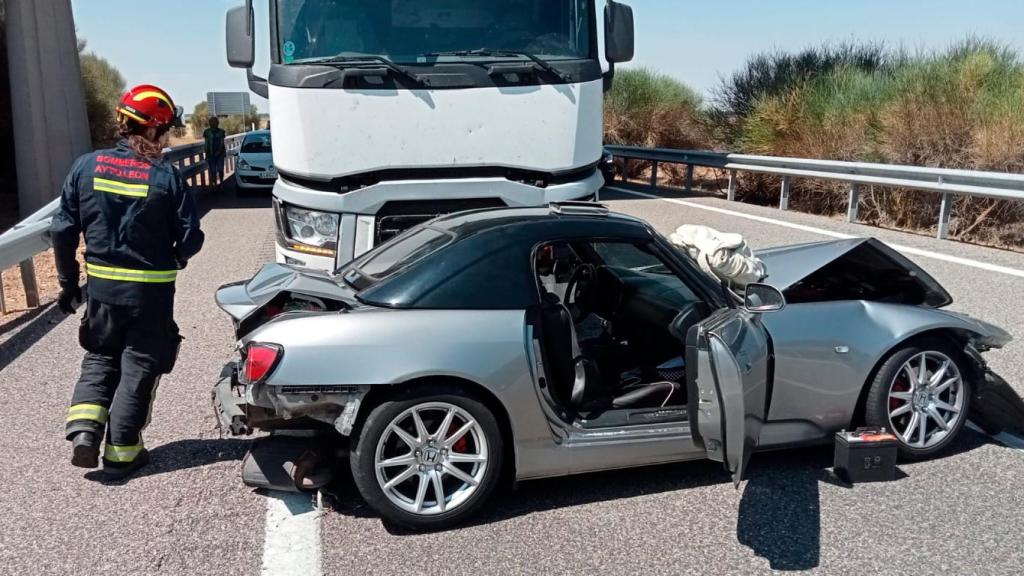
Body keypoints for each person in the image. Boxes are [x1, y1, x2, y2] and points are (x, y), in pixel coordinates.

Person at [52, 84, 204, 480]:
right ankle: (122, 453)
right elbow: (191, 238)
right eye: (165, 129)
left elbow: (63, 230)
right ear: (153, 131)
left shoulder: (85, 166)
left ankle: (85, 430)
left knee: (101, 354)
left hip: (101, 289)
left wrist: (69, 285)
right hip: (150, 294)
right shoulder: (166, 177)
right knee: (140, 362)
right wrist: (178, 257)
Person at [203, 116, 226, 186]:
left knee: (220, 169)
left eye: (215, 122)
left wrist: (219, 151)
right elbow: (206, 143)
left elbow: (222, 143)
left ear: (217, 123)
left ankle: (221, 182)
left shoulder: (221, 131)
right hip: (211, 154)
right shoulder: (206, 132)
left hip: (220, 154)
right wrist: (206, 154)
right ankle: (214, 185)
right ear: (209, 123)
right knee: (213, 171)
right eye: (211, 122)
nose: (213, 123)